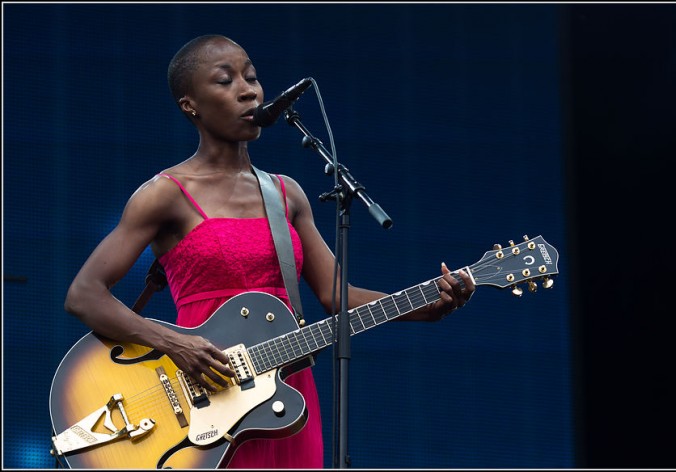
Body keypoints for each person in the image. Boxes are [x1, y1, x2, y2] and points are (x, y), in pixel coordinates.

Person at [63, 34, 475, 469]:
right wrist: (175, 343)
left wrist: (427, 305)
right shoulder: (165, 194)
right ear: (190, 105)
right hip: (200, 397)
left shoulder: (285, 194)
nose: (248, 90)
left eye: (252, 77)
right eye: (226, 81)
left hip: (286, 396)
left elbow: (338, 296)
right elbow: (85, 294)